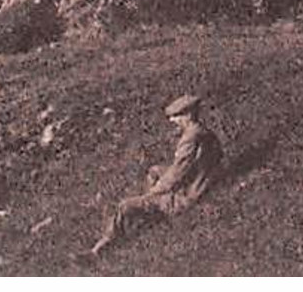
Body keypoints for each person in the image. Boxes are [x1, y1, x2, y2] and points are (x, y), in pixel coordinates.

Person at [85, 93, 225, 259]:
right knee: (154, 170)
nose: (173, 121)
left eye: (176, 117)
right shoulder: (204, 133)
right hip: (202, 181)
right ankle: (151, 213)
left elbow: (177, 174)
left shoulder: (190, 139)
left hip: (187, 196)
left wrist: (151, 194)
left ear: (188, 115)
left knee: (124, 205)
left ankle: (100, 249)